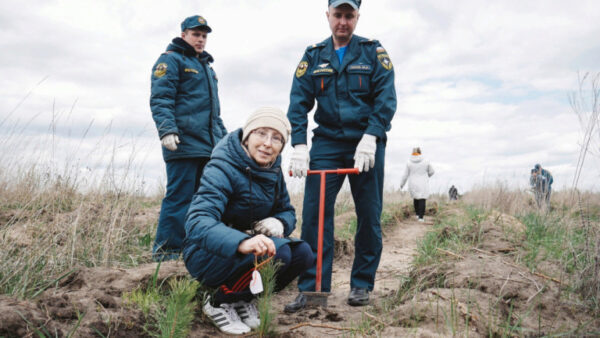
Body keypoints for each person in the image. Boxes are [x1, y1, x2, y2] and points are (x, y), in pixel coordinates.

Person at [285, 0, 397, 311]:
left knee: (369, 216)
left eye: (349, 16)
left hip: (366, 143)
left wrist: (372, 136)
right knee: (315, 217)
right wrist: (299, 146)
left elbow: (386, 99)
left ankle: (361, 285)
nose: (343, 22)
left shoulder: (373, 53)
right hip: (328, 143)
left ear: (358, 17)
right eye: (338, 15)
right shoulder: (313, 56)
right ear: (328, 16)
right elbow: (298, 103)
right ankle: (313, 290)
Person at [183, 107, 313, 335]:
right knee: (276, 253)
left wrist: (280, 222)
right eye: (261, 133)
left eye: (276, 138)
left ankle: (242, 299)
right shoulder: (222, 167)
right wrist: (240, 242)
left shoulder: (272, 171)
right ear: (247, 136)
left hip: (245, 251)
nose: (267, 143)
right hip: (205, 253)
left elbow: (287, 211)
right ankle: (217, 301)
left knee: (302, 253)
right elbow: (197, 221)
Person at [150, 15, 227, 261]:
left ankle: (195, 251)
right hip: (182, 144)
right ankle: (167, 254)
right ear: (184, 35)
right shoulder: (170, 61)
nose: (201, 39)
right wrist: (166, 130)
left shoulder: (207, 68)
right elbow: (161, 98)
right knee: (179, 198)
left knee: (204, 202)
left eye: (204, 36)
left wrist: (225, 142)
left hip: (208, 148)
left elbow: (214, 114)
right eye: (196, 34)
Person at [399, 147, 435, 222]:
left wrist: (402, 184)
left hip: (413, 183)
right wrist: (427, 175)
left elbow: (405, 175)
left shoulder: (409, 162)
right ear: (420, 152)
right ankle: (421, 218)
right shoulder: (426, 161)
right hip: (423, 183)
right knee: (422, 199)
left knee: (415, 198)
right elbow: (432, 171)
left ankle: (417, 214)